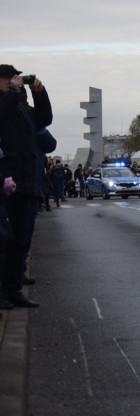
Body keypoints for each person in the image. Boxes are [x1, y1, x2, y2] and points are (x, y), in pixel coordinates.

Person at [0, 65, 52, 309]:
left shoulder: (20, 105)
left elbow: (43, 120)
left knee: (22, 237)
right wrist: (12, 92)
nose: (16, 80)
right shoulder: (6, 102)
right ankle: (5, 290)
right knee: (6, 240)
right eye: (11, 78)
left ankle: (13, 288)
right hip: (7, 180)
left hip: (27, 179)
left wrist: (39, 93)